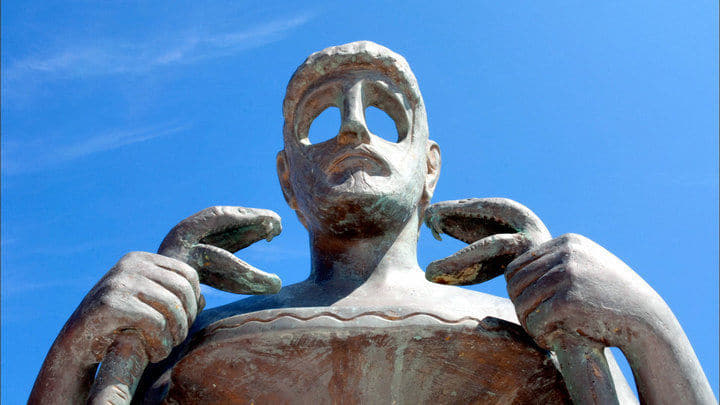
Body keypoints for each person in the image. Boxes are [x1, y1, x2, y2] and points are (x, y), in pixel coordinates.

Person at [30, 41, 715, 404]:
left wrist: (651, 329)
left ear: (430, 167)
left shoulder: (548, 328)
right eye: (321, 116)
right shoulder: (182, 342)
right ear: (287, 179)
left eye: (385, 112)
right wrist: (72, 357)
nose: (353, 127)